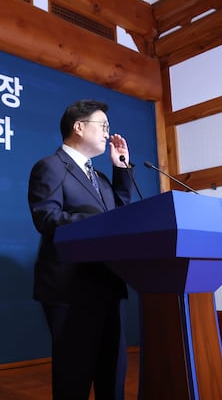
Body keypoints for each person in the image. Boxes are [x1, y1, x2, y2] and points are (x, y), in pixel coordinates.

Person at [27, 99, 134, 400]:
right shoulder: (50, 166)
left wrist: (121, 169)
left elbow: (120, 217)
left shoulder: (100, 178)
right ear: (78, 127)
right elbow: (46, 217)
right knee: (73, 377)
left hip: (108, 284)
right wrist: (98, 222)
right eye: (103, 126)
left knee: (112, 373)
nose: (108, 133)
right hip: (69, 288)